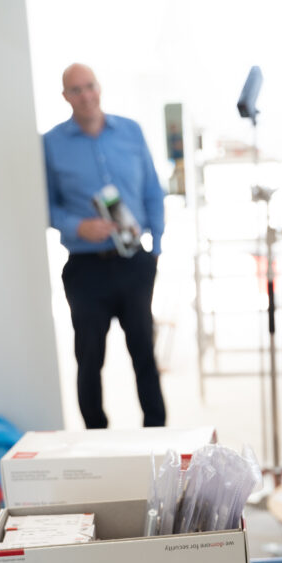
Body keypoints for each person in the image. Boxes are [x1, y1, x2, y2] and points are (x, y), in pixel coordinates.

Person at [43, 63, 166, 428]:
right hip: (85, 268)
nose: (85, 96)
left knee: (144, 352)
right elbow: (46, 204)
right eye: (76, 90)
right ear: (65, 97)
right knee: (89, 357)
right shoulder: (51, 143)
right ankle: (94, 435)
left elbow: (152, 190)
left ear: (99, 88)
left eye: (90, 86)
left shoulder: (130, 131)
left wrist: (155, 248)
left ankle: (156, 432)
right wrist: (78, 226)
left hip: (134, 262)